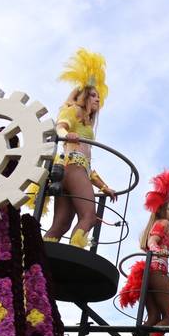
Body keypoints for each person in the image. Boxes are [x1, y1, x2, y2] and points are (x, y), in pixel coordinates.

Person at [43, 48, 117, 247]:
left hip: (75, 170)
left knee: (61, 224)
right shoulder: (74, 110)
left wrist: (104, 187)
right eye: (93, 95)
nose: (97, 99)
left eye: (98, 96)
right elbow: (60, 127)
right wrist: (67, 134)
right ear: (84, 96)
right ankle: (74, 252)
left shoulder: (87, 125)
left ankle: (39, 257)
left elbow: (87, 167)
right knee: (89, 217)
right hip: (73, 168)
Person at [118, 170, 169, 336]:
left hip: (153, 273)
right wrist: (158, 249)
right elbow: (151, 242)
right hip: (157, 273)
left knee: (154, 316)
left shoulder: (161, 225)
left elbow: (160, 265)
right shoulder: (163, 223)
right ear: (162, 210)